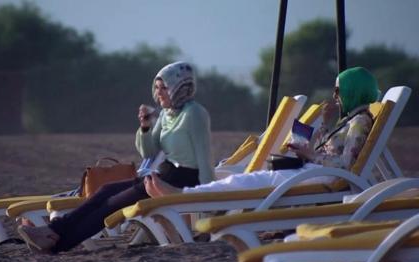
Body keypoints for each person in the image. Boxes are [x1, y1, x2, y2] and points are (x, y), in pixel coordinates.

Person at [17, 61, 215, 253]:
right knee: (105, 191)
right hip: (162, 175)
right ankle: (53, 232)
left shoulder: (195, 114)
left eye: (164, 88)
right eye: (157, 87)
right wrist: (145, 127)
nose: (158, 93)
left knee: (112, 205)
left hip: (183, 179)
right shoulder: (166, 114)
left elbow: (205, 158)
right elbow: (149, 152)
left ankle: (57, 241)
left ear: (179, 87)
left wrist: (207, 199)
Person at [147, 66, 379, 196]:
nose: (336, 96)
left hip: (321, 175)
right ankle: (187, 195)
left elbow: (346, 164)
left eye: (339, 90)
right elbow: (333, 150)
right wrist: (325, 126)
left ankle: (185, 196)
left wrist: (311, 155)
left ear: (354, 90)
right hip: (312, 169)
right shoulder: (350, 119)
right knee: (248, 178)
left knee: (251, 180)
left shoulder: (360, 122)